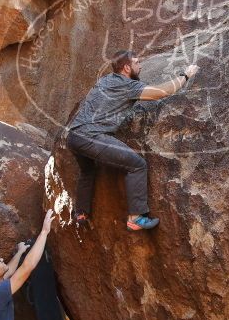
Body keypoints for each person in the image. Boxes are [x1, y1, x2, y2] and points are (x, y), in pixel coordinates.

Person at [66, 50, 199, 230]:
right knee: (137, 164)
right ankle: (135, 218)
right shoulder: (127, 86)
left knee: (88, 171)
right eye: (137, 63)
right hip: (91, 136)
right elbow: (160, 92)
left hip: (73, 136)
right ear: (127, 68)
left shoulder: (105, 81)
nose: (141, 65)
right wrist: (186, 75)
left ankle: (81, 213)